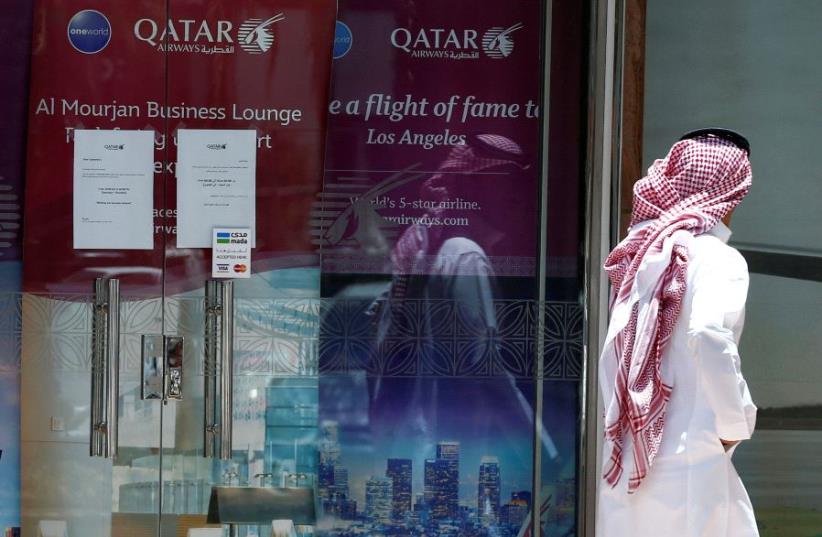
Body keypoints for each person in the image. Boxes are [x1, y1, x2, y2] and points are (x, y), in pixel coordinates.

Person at [596, 135, 759, 536]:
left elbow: (612, 357)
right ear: (732, 193)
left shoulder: (643, 255)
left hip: (628, 455)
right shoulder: (716, 258)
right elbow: (707, 334)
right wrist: (733, 425)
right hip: (692, 459)